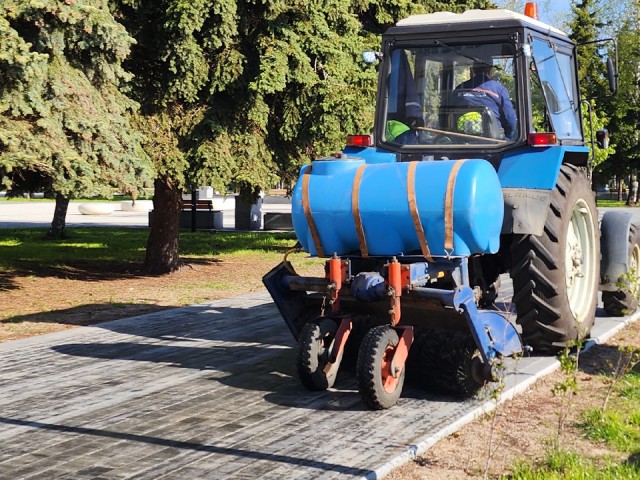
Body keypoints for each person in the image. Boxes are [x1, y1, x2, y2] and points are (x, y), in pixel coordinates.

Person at [450, 59, 517, 140]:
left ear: (473, 70)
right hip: (493, 141)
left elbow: (447, 113)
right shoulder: (499, 90)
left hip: (461, 139)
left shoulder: (459, 88)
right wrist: (508, 137)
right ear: (490, 70)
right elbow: (510, 120)